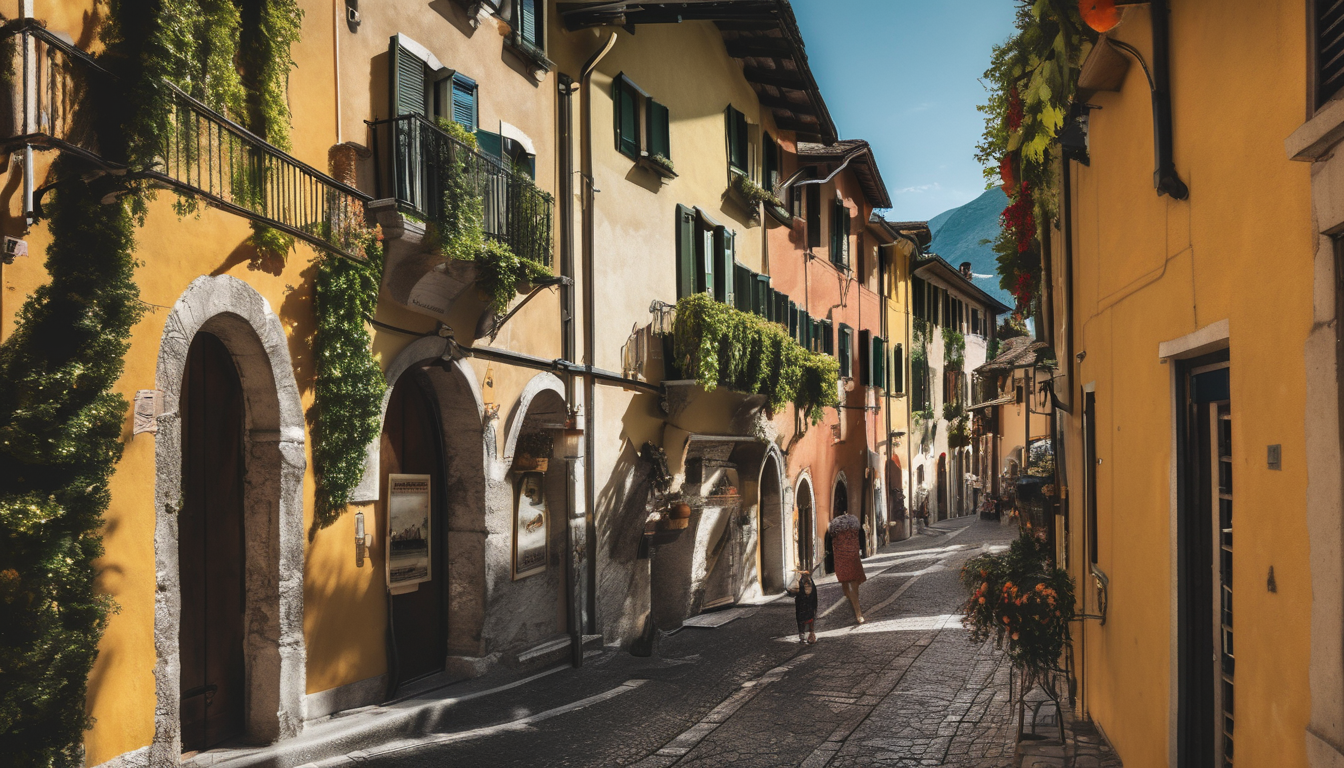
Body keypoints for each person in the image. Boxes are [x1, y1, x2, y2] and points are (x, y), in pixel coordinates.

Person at [825, 511, 866, 624]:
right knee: (853, 585)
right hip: (851, 559)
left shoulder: (833, 531)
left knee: (848, 586)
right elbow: (861, 540)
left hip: (842, 560)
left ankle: (855, 608)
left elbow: (828, 547)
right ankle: (858, 612)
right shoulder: (855, 529)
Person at [785, 571, 818, 644]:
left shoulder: (800, 583)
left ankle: (803, 635)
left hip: (803, 606)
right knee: (809, 619)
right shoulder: (811, 584)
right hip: (808, 606)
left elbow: (791, 592)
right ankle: (809, 635)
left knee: (802, 620)